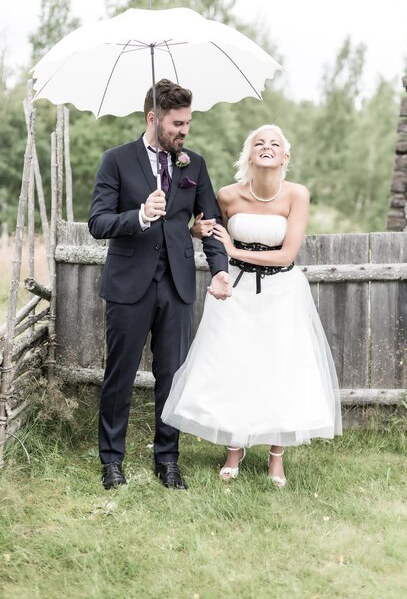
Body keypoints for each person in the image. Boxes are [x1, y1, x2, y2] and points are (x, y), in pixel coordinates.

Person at [162, 124, 342, 487]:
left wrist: (233, 250)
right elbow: (207, 232)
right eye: (259, 142)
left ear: (285, 157)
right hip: (238, 292)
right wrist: (198, 232)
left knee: (280, 367)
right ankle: (235, 447)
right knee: (234, 364)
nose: (267, 147)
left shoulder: (297, 195)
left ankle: (277, 457)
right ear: (248, 154)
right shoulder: (228, 196)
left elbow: (287, 254)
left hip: (282, 292)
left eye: (275, 143)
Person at [88, 79, 231, 490]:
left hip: (178, 286)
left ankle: (167, 458)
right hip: (128, 285)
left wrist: (219, 268)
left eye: (187, 123)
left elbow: (211, 223)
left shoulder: (194, 164)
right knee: (120, 374)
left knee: (172, 377)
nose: (184, 131)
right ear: (153, 118)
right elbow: (98, 222)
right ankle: (111, 461)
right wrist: (139, 215)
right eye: (177, 123)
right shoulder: (115, 160)